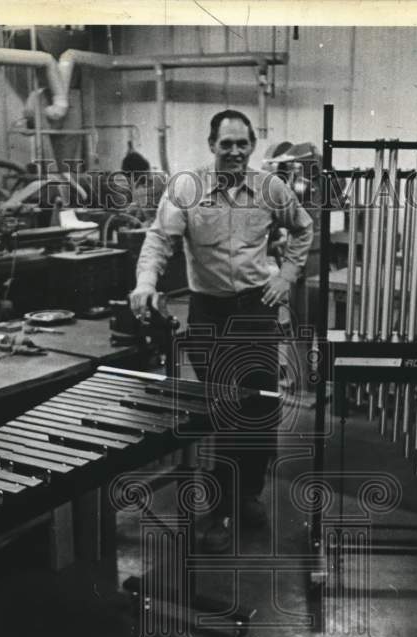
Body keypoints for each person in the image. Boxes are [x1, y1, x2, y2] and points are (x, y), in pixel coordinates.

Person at [131, 109, 314, 551]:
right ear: (212, 145)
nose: (234, 151)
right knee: (222, 414)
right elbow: (159, 240)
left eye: (242, 144)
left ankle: (247, 494)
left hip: (256, 311)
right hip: (209, 312)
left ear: (251, 146)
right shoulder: (187, 188)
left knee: (259, 410)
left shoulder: (272, 188)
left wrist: (286, 277)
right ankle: (221, 509)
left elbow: (303, 229)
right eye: (226, 143)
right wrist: (145, 284)